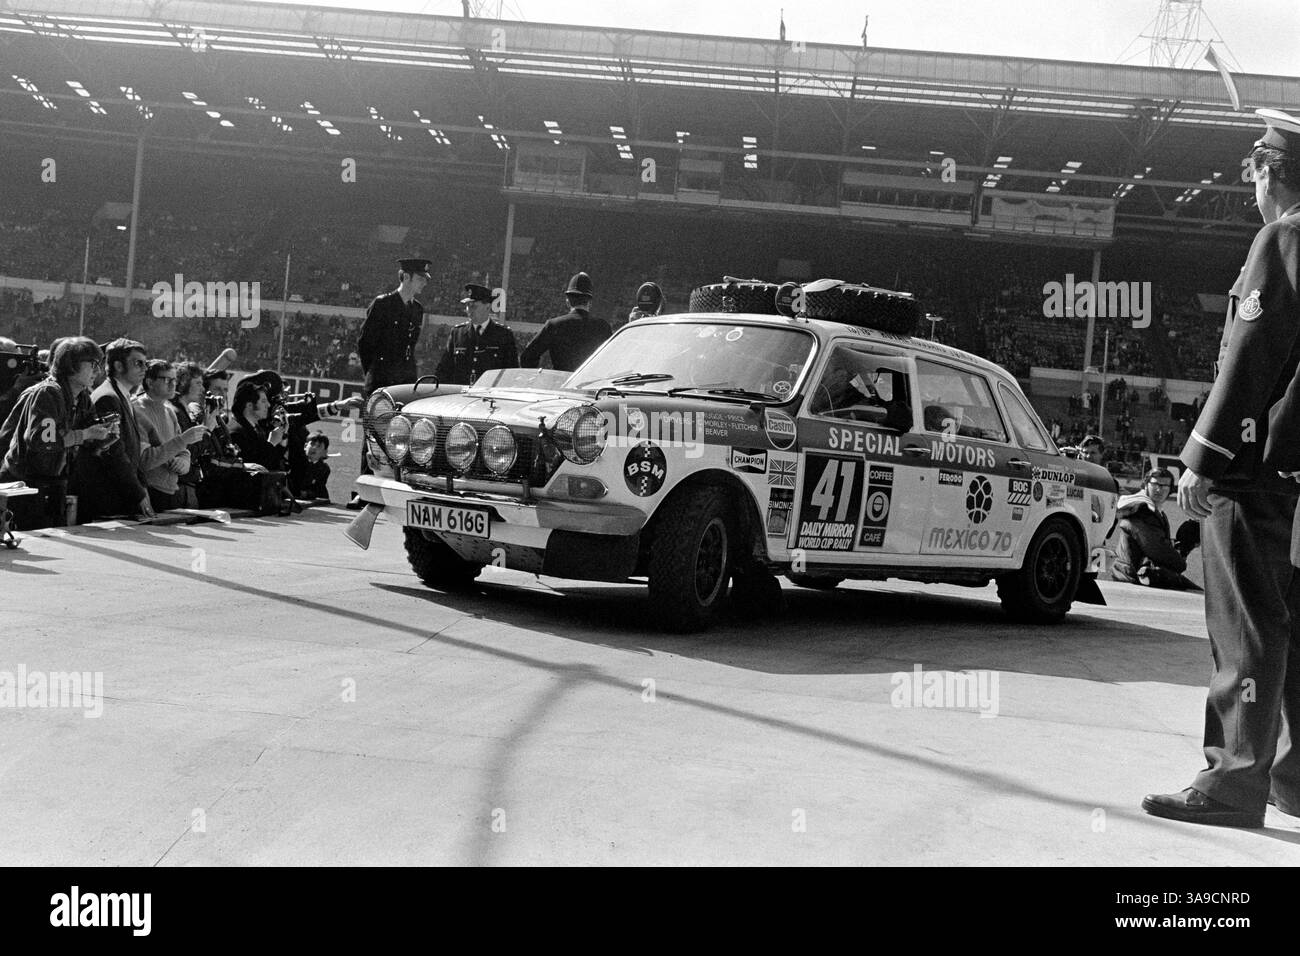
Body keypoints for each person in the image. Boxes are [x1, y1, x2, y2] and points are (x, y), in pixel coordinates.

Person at [1143, 108, 1300, 829]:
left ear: (1271, 171)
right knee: (1290, 624)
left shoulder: (1283, 238)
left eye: (1257, 169)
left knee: (1245, 627)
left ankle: (1235, 780)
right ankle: (1292, 782)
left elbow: (1251, 358)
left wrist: (1202, 460)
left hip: (1257, 471)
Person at [0, 337, 113, 528]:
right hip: (24, 486)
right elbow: (44, 442)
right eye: (92, 364)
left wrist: (105, 436)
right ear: (71, 364)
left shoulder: (82, 397)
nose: (98, 370)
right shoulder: (49, 393)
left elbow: (87, 443)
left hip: (53, 483)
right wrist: (85, 434)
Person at [350, 257, 428, 508]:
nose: (424, 283)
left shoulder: (417, 309)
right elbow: (365, 343)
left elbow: (410, 347)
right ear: (404, 277)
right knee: (373, 436)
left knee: (400, 437)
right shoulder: (383, 304)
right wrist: (373, 374)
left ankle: (393, 492)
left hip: (404, 381)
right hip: (382, 379)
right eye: (420, 278)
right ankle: (364, 492)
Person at [1110, 468, 1199, 590]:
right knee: (1197, 596)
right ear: (1146, 485)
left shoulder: (1155, 511)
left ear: (1170, 490)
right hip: (1132, 576)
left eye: (1164, 485)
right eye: (1155, 484)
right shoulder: (1142, 510)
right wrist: (1181, 557)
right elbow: (1157, 549)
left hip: (1136, 572)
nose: (1159, 489)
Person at [132, 360, 198, 514]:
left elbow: (182, 449)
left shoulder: (169, 412)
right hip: (149, 492)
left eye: (174, 380)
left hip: (172, 492)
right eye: (167, 380)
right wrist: (183, 441)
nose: (173, 384)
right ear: (149, 382)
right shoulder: (137, 410)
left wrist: (184, 461)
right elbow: (144, 461)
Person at [519, 272, 611, 372]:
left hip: (560, 385)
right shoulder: (603, 327)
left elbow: (527, 357)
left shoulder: (554, 325)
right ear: (590, 302)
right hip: (591, 386)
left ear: (567, 301)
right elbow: (612, 360)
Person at [435, 283, 519, 385]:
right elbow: (444, 370)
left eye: (473, 306)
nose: (469, 310)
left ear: (487, 307)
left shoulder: (503, 335)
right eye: (467, 306)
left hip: (488, 397)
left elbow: (511, 373)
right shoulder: (458, 333)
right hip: (459, 396)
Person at [226, 380, 286, 472]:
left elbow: (274, 463)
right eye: (263, 401)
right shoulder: (235, 433)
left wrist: (282, 437)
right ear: (249, 405)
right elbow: (254, 468)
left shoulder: (257, 429)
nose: (269, 405)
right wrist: (271, 443)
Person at [300, 432, 332, 501]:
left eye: (319, 446)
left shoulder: (324, 468)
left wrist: (307, 493)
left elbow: (319, 488)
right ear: (305, 446)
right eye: (312, 444)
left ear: (324, 452)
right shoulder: (299, 462)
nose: (314, 448)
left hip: (316, 499)